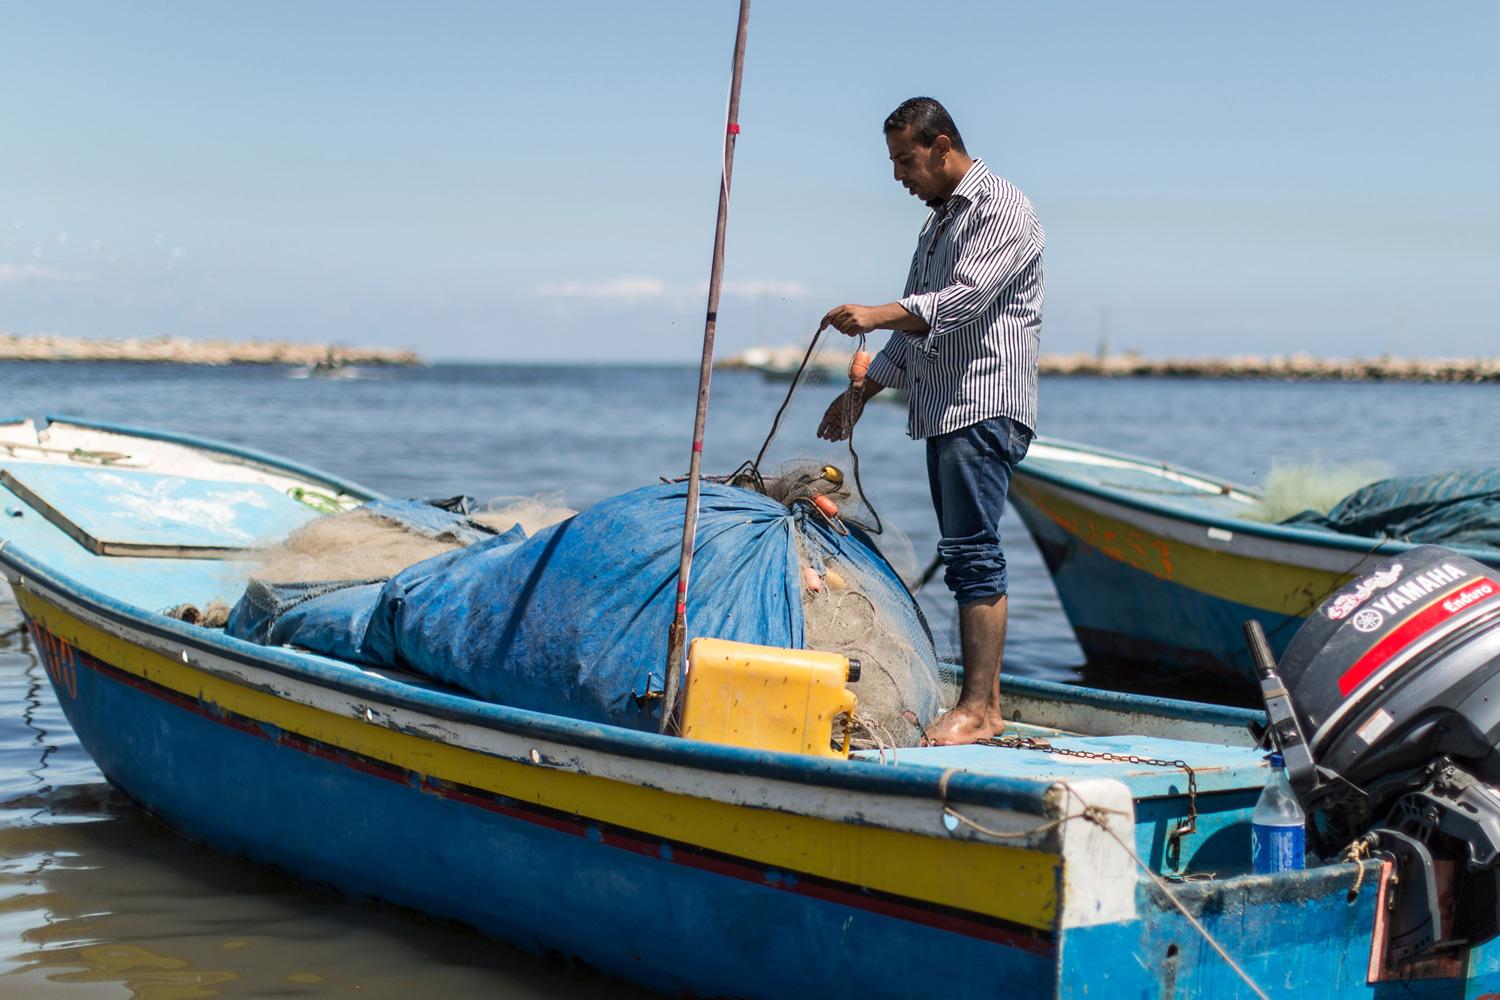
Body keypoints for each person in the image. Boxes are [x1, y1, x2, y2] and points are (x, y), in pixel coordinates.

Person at [816, 96, 1044, 746]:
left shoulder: (1000, 207)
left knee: (973, 554)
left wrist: (877, 312)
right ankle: (982, 703)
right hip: (947, 408)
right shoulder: (938, 223)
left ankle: (981, 710)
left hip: (984, 404)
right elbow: (920, 330)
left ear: (942, 145)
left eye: (905, 161)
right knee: (961, 552)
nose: (898, 177)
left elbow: (962, 302)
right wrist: (862, 395)